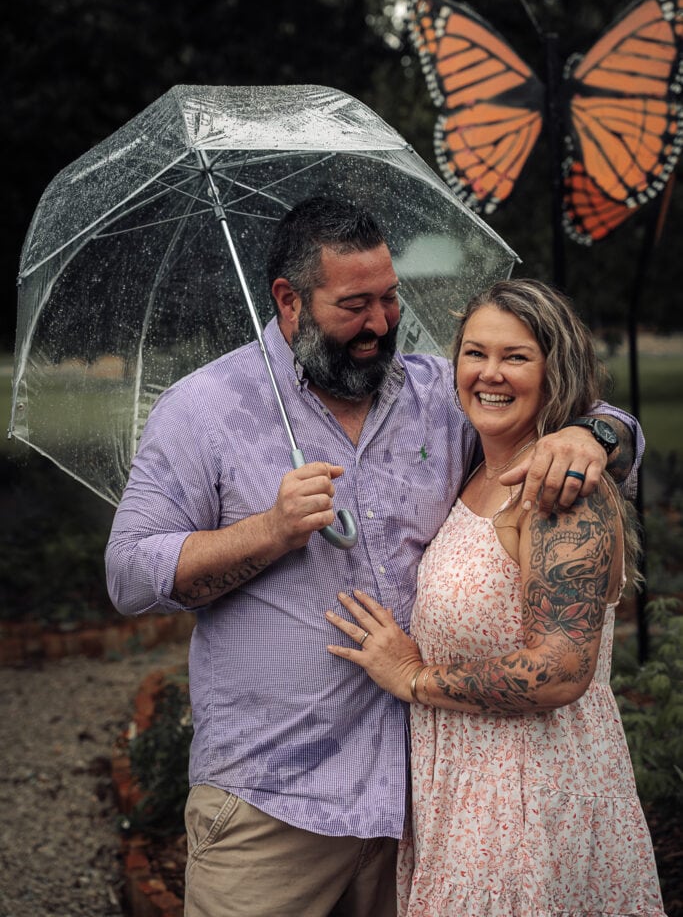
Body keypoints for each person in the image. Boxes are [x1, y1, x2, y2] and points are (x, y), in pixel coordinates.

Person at [106, 200, 642, 917]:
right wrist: (268, 530)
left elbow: (553, 408)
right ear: (289, 300)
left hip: (427, 798)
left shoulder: (435, 395)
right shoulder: (201, 411)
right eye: (354, 305)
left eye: (389, 298)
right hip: (277, 802)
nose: (381, 324)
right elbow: (129, 574)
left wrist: (596, 433)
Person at [325, 278, 664, 917]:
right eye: (475, 353)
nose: (490, 374)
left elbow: (562, 671)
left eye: (515, 357)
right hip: (461, 802)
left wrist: (416, 677)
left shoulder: (564, 495)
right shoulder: (476, 472)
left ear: (554, 369)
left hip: (531, 808)